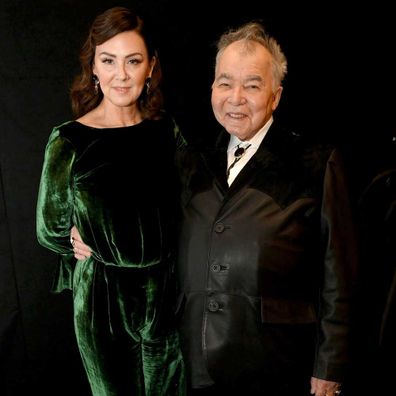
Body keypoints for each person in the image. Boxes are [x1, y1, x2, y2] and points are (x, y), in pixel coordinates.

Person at [175, 21, 357, 396]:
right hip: (197, 368)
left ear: (275, 95)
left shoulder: (315, 163)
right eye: (225, 83)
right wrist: (89, 237)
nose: (235, 97)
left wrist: (331, 365)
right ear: (212, 88)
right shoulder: (191, 162)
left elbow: (339, 275)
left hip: (279, 367)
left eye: (252, 85)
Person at [36, 6, 185, 396]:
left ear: (150, 67)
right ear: (94, 68)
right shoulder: (69, 139)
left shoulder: (166, 130)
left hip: (165, 296)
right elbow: (48, 228)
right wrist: (72, 238)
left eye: (132, 61)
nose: (121, 74)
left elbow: (193, 204)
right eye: (109, 60)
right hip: (103, 301)